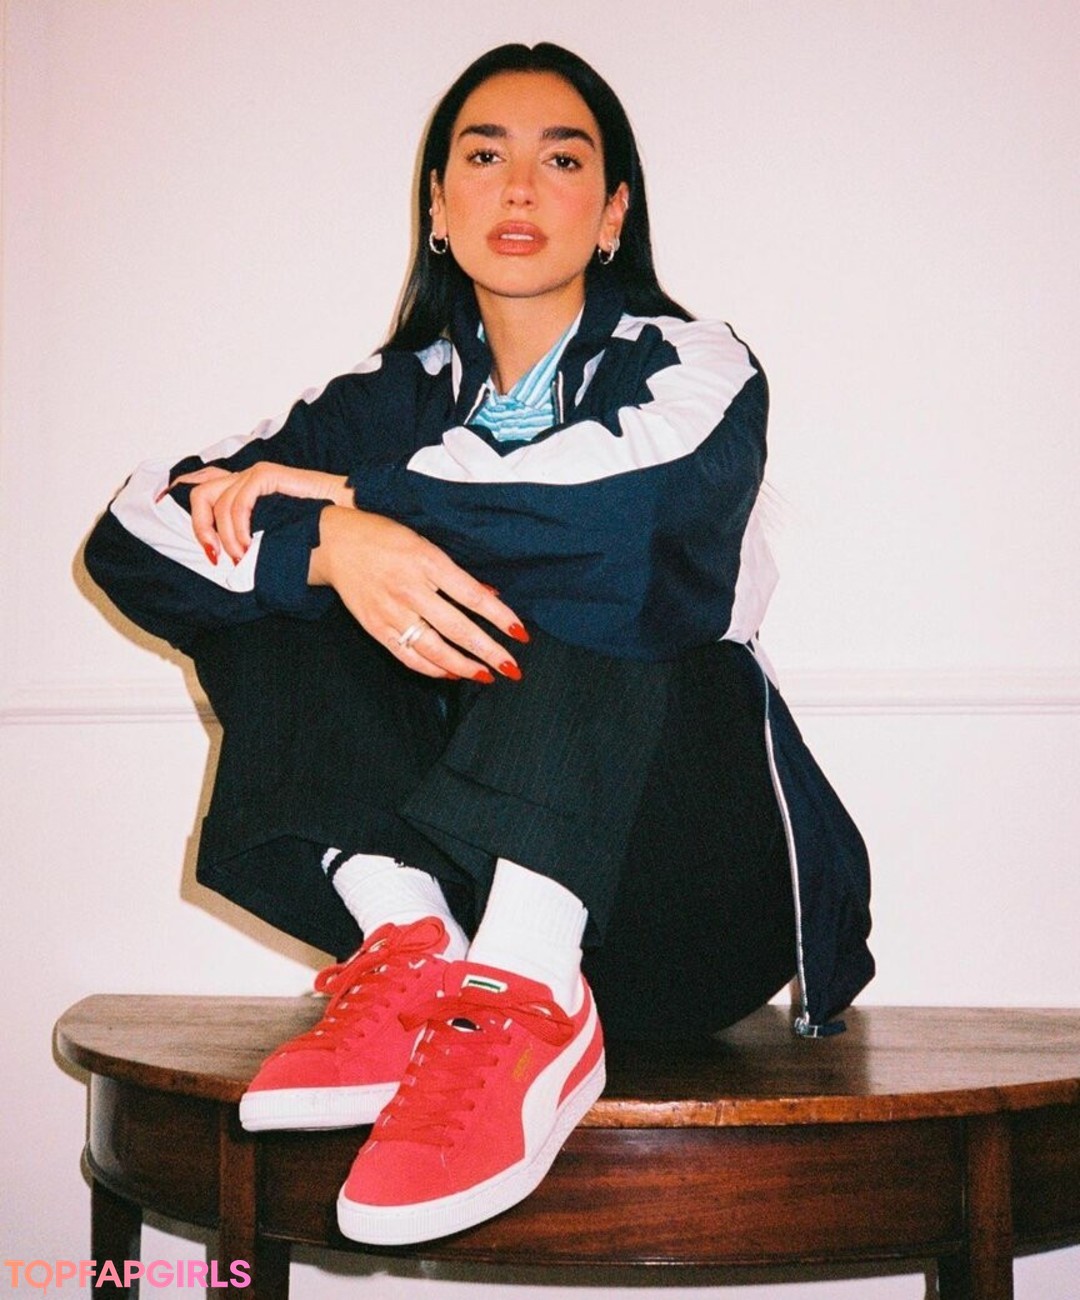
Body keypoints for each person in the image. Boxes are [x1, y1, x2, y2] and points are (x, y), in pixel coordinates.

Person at [83, 42, 873, 1246]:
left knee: (584, 568)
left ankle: (532, 991)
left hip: (688, 907)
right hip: (463, 889)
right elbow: (142, 529)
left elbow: (635, 515)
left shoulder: (693, 361)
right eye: (484, 156)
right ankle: (410, 949)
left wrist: (369, 503)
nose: (518, 187)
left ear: (614, 214)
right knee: (288, 575)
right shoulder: (383, 398)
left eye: (563, 160)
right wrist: (332, 547)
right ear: (439, 210)